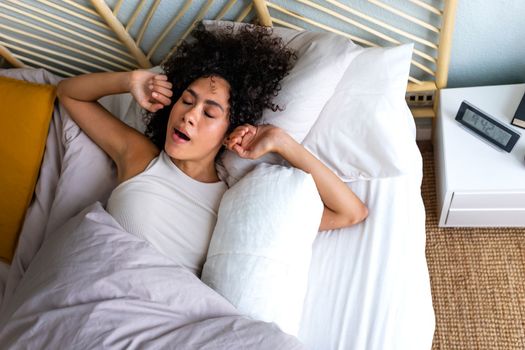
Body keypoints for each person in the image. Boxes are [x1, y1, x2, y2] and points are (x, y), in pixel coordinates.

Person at [56, 23, 367, 276]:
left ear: (230, 130)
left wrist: (282, 142)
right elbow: (69, 95)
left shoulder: (238, 204)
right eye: (187, 101)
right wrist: (130, 80)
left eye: (209, 113)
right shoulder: (140, 157)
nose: (189, 115)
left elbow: (350, 213)